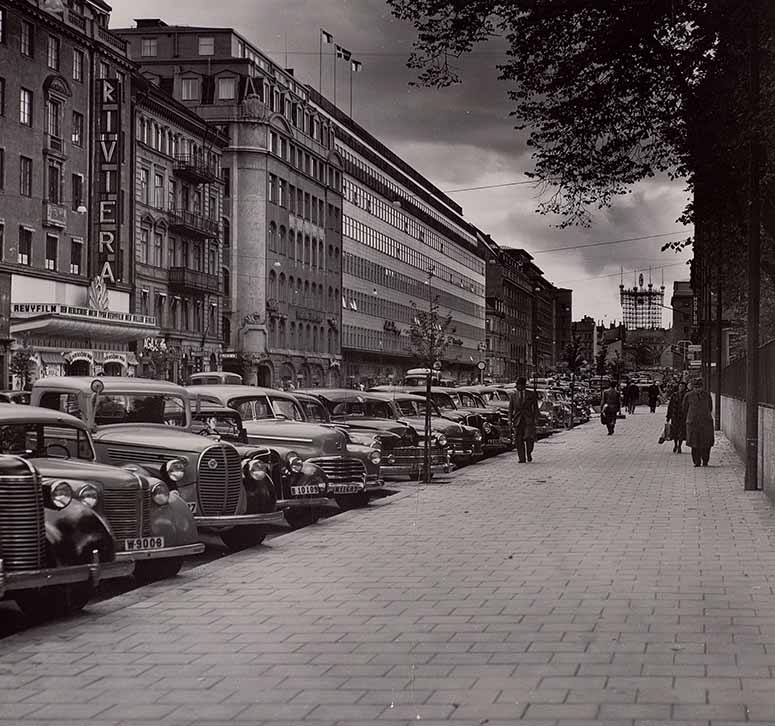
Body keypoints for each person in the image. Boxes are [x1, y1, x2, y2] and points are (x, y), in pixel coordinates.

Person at [684, 377, 714, 466]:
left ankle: (705, 460)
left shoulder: (707, 395)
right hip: (693, 423)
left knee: (706, 443)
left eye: (699, 387)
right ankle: (696, 461)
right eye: (696, 387)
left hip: (705, 423)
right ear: (693, 387)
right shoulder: (688, 396)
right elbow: (684, 408)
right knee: (694, 443)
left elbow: (710, 407)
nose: (698, 389)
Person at [509, 376, 538, 462]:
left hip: (528, 420)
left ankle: (529, 452)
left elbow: (535, 407)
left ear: (523, 385)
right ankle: (522, 458)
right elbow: (510, 409)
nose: (517, 387)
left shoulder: (531, 394)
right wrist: (510, 420)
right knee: (518, 440)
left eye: (518, 385)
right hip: (518, 420)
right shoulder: (513, 396)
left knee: (529, 438)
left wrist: (536, 418)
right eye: (517, 385)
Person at [665, 381, 688, 453]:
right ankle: (675, 444)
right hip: (674, 416)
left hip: (683, 416)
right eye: (680, 386)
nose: (681, 388)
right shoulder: (674, 395)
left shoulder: (687, 395)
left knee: (681, 432)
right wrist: (668, 416)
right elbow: (670, 406)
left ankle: (679, 446)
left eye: (683, 386)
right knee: (675, 431)